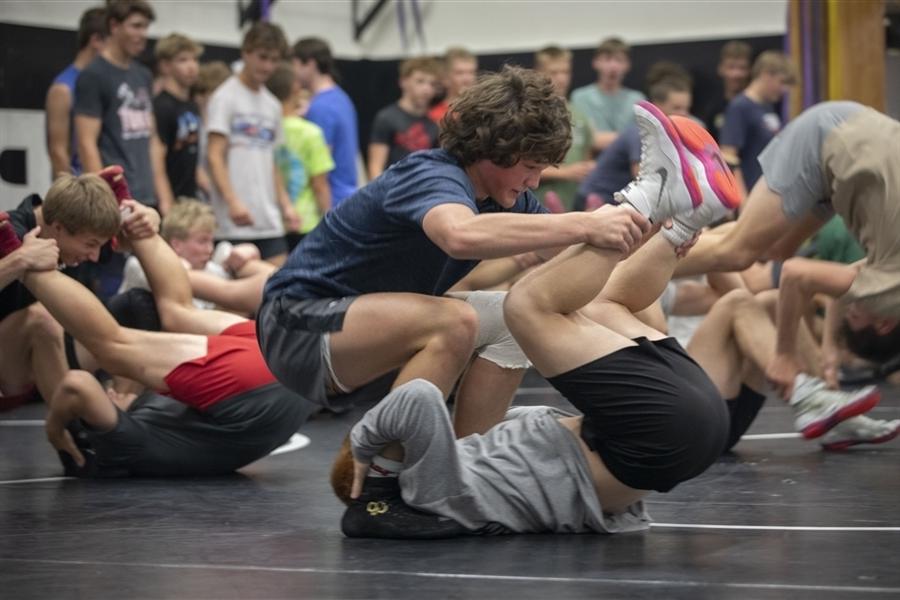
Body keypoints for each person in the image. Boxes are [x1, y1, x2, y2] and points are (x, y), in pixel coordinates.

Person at [331, 103, 741, 538]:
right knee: (523, 305)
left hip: (688, 429)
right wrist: (367, 448)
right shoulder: (432, 488)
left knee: (603, 303)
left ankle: (683, 220)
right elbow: (413, 399)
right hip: (657, 431)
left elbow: (581, 484)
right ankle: (650, 199)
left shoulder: (476, 489)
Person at [258, 67, 653, 439]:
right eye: (530, 166)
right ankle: (387, 475)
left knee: (515, 316)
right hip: (297, 323)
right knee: (455, 320)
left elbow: (570, 260)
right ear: (492, 148)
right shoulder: (430, 173)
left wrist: (656, 236)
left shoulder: (510, 198)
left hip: (353, 324)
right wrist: (586, 222)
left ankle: (468, 464)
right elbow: (459, 234)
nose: (534, 180)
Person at [0, 189, 312, 478]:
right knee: (116, 345)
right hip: (260, 391)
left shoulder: (134, 442)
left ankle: (124, 230)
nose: (94, 255)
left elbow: (80, 385)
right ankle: (43, 263)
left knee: (169, 314)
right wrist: (57, 428)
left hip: (279, 372)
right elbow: (77, 386)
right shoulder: (127, 444)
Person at [666, 101, 900, 395]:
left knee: (774, 248)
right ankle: (629, 265)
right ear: (884, 324)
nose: (848, 308)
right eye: (854, 316)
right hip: (827, 137)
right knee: (737, 252)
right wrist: (785, 354)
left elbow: (846, 283)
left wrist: (827, 348)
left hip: (855, 135)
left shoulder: (888, 288)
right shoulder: (887, 292)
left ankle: (666, 246)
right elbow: (794, 274)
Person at [0, 172, 124, 410]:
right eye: (90, 245)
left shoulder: (80, 226)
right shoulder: (10, 233)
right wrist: (18, 261)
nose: (95, 256)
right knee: (41, 318)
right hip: (9, 366)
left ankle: (123, 407)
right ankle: (75, 426)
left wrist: (149, 218)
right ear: (57, 227)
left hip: (47, 361)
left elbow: (128, 240)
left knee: (132, 312)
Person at [206, 22, 299, 264]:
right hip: (234, 222)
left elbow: (273, 162)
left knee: (277, 292)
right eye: (262, 57)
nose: (267, 66)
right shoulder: (225, 97)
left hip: (269, 219)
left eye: (274, 60)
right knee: (238, 297)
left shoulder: (273, 105)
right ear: (246, 52)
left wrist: (286, 205)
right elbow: (214, 156)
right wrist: (233, 202)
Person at [74, 0, 166, 210]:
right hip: (115, 197)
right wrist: (103, 200)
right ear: (114, 26)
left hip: (147, 195)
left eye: (145, 27)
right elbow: (86, 144)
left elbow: (152, 139)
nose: (143, 34)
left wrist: (164, 195)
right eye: (136, 26)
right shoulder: (94, 75)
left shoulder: (143, 75)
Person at [118, 199, 275, 314]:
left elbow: (270, 280)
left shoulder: (212, 267)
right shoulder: (140, 266)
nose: (209, 249)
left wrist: (250, 252)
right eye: (202, 241)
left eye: (211, 241)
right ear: (177, 244)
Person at [576, 76, 693, 210]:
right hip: (595, 201)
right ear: (656, 108)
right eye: (677, 108)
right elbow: (644, 181)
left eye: (686, 109)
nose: (684, 115)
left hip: (616, 203)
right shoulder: (640, 135)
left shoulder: (665, 139)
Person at [266, 62, 333, 247]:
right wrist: (329, 222)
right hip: (305, 221)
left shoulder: (265, 129)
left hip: (271, 219)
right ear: (295, 88)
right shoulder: (310, 133)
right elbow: (320, 185)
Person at [292, 37, 359, 206]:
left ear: (310, 64)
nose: (292, 72)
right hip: (345, 196)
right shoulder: (341, 98)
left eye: (295, 64)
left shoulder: (321, 107)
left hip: (330, 200)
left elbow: (319, 168)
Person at [720, 50, 795, 198]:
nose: (784, 89)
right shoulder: (740, 107)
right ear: (766, 75)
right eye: (782, 82)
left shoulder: (767, 106)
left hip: (768, 193)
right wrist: (742, 201)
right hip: (750, 193)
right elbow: (728, 157)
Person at [45, 6, 107, 177]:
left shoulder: (104, 82)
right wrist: (72, 197)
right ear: (96, 41)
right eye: (112, 42)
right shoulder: (64, 88)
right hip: (81, 190)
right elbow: (58, 151)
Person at [531, 45, 594, 212]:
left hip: (573, 204)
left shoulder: (579, 115)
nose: (561, 78)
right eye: (554, 72)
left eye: (565, 72)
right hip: (538, 205)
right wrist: (564, 173)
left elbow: (585, 157)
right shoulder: (529, 114)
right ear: (538, 74)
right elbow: (517, 166)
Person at [368, 57, 441, 180]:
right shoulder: (386, 118)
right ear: (403, 81)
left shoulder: (433, 125)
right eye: (420, 81)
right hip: (392, 191)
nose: (426, 89)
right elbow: (375, 167)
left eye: (432, 84)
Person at [570, 37, 645, 152]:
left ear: (627, 65)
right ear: (595, 62)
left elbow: (643, 139)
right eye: (607, 59)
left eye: (619, 60)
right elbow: (588, 140)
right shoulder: (580, 97)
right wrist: (628, 139)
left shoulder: (637, 99)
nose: (613, 66)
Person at [152, 33, 203, 201]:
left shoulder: (192, 105)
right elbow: (156, 160)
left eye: (195, 60)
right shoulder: (161, 106)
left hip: (189, 198)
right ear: (166, 66)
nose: (192, 67)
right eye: (183, 60)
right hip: (168, 197)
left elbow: (192, 157)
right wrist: (167, 203)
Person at [699, 40, 753, 143]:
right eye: (731, 67)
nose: (736, 74)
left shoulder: (758, 106)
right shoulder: (711, 107)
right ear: (721, 69)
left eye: (742, 68)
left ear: (750, 70)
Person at [428, 47, 478, 125]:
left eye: (471, 72)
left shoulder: (482, 110)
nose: (467, 79)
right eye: (459, 73)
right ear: (445, 78)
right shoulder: (435, 116)